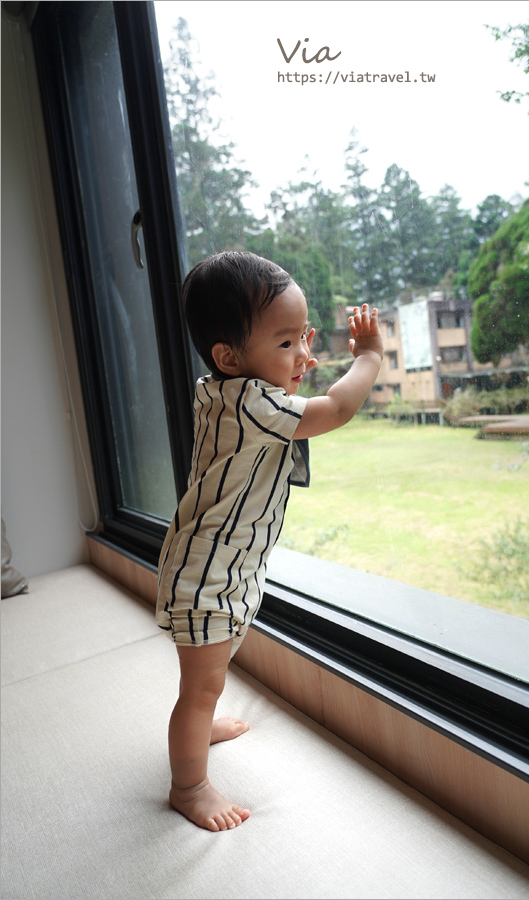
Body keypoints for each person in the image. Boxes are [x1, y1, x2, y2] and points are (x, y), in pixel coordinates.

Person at [156, 250, 383, 832]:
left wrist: (287, 352)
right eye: (286, 344)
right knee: (201, 685)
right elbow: (334, 408)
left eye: (304, 337)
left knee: (212, 668)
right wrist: (370, 358)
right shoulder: (252, 402)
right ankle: (190, 786)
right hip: (208, 574)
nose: (304, 355)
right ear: (228, 356)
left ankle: (199, 725)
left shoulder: (221, 389)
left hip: (219, 564)